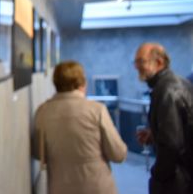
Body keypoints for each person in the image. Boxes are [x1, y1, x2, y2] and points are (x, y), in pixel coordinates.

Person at [32, 61, 127, 194]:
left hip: (59, 187)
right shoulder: (97, 110)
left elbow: (38, 153)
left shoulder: (42, 111)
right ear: (82, 82)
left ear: (55, 83)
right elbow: (118, 154)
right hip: (97, 187)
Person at [134, 42, 193, 193]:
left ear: (159, 62)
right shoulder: (175, 84)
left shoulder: (167, 90)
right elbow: (181, 130)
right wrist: (154, 134)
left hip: (178, 182)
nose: (136, 66)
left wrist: (157, 174)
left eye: (141, 61)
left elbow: (172, 145)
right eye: (136, 62)